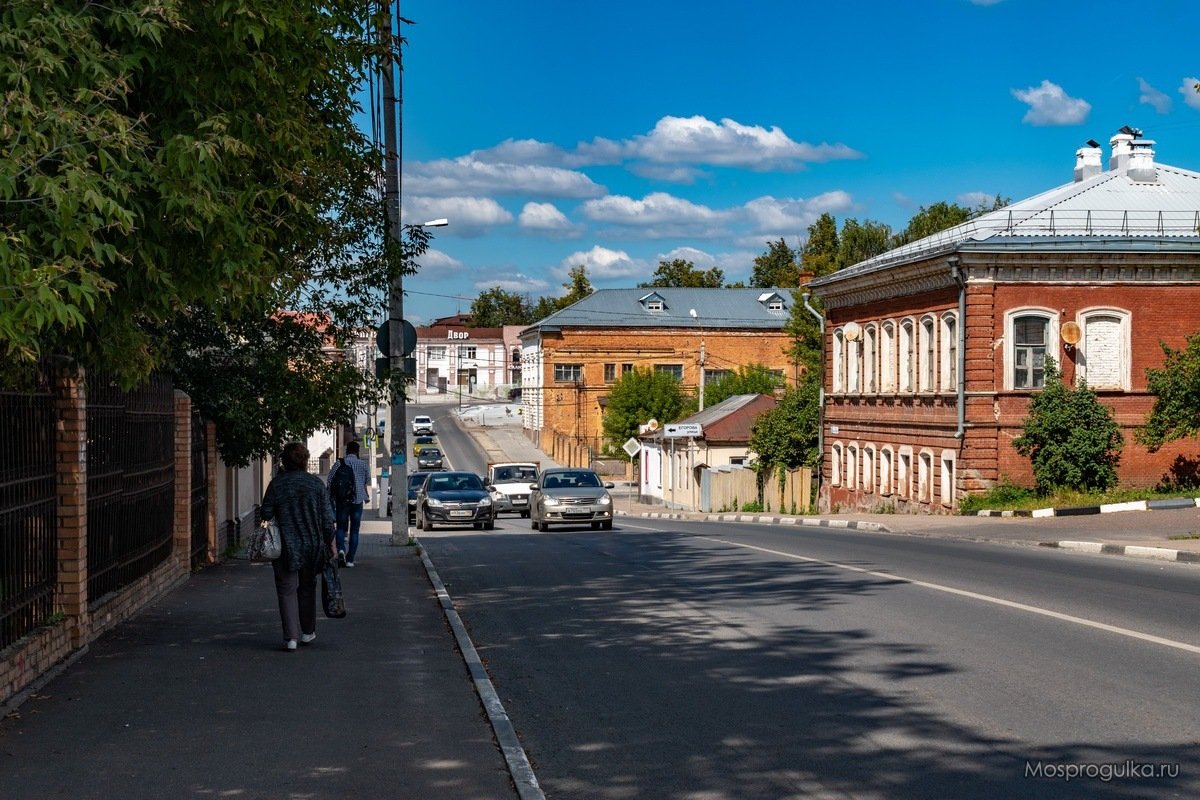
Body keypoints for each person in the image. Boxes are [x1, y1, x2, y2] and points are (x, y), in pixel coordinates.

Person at [261, 442, 335, 652]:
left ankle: (290, 638)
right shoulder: (316, 484)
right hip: (312, 545)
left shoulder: (277, 484)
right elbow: (327, 520)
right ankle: (308, 632)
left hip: (285, 545)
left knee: (286, 590)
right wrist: (331, 543)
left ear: (284, 461)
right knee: (307, 588)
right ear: (304, 460)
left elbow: (265, 513)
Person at [326, 440, 371, 567]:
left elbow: (330, 480)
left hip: (342, 501)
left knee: (340, 527)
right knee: (355, 530)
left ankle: (340, 550)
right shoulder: (363, 465)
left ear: (347, 451)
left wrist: (331, 496)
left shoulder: (339, 463)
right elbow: (366, 480)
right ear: (357, 452)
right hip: (357, 501)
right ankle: (350, 559)